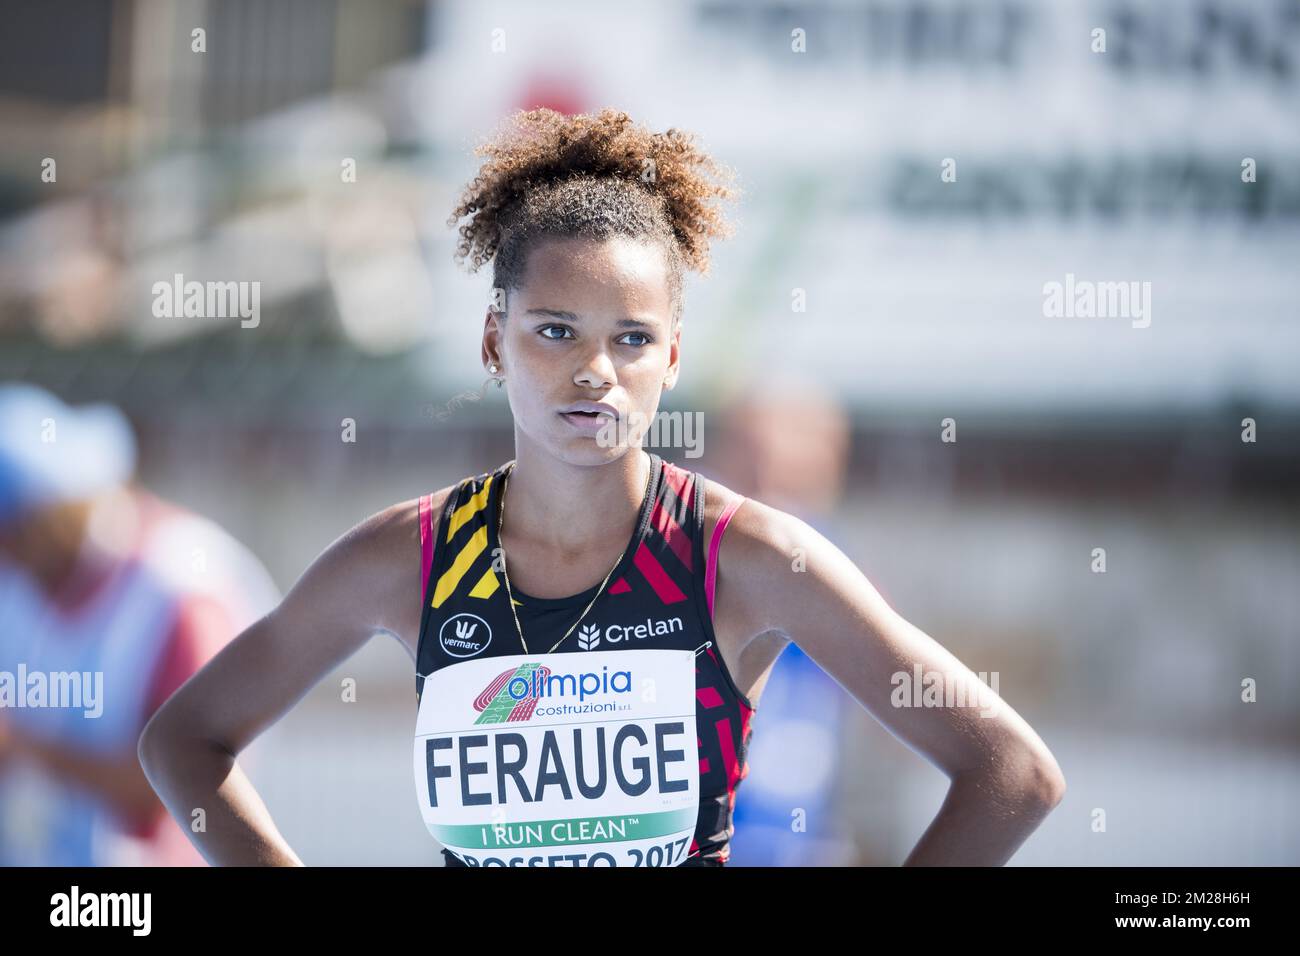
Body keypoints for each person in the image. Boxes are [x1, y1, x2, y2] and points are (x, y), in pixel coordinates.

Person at [139, 107, 1065, 867]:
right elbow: (183, 743)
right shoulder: (409, 557)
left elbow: (1011, 774)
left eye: (630, 338)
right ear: (494, 342)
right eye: (554, 332)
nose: (594, 372)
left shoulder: (745, 559)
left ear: (672, 357)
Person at [0, 383, 280, 865]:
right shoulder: (32, 586)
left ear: (47, 519)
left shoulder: (180, 587)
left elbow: (186, 779)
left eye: (12, 538)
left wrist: (25, 748)